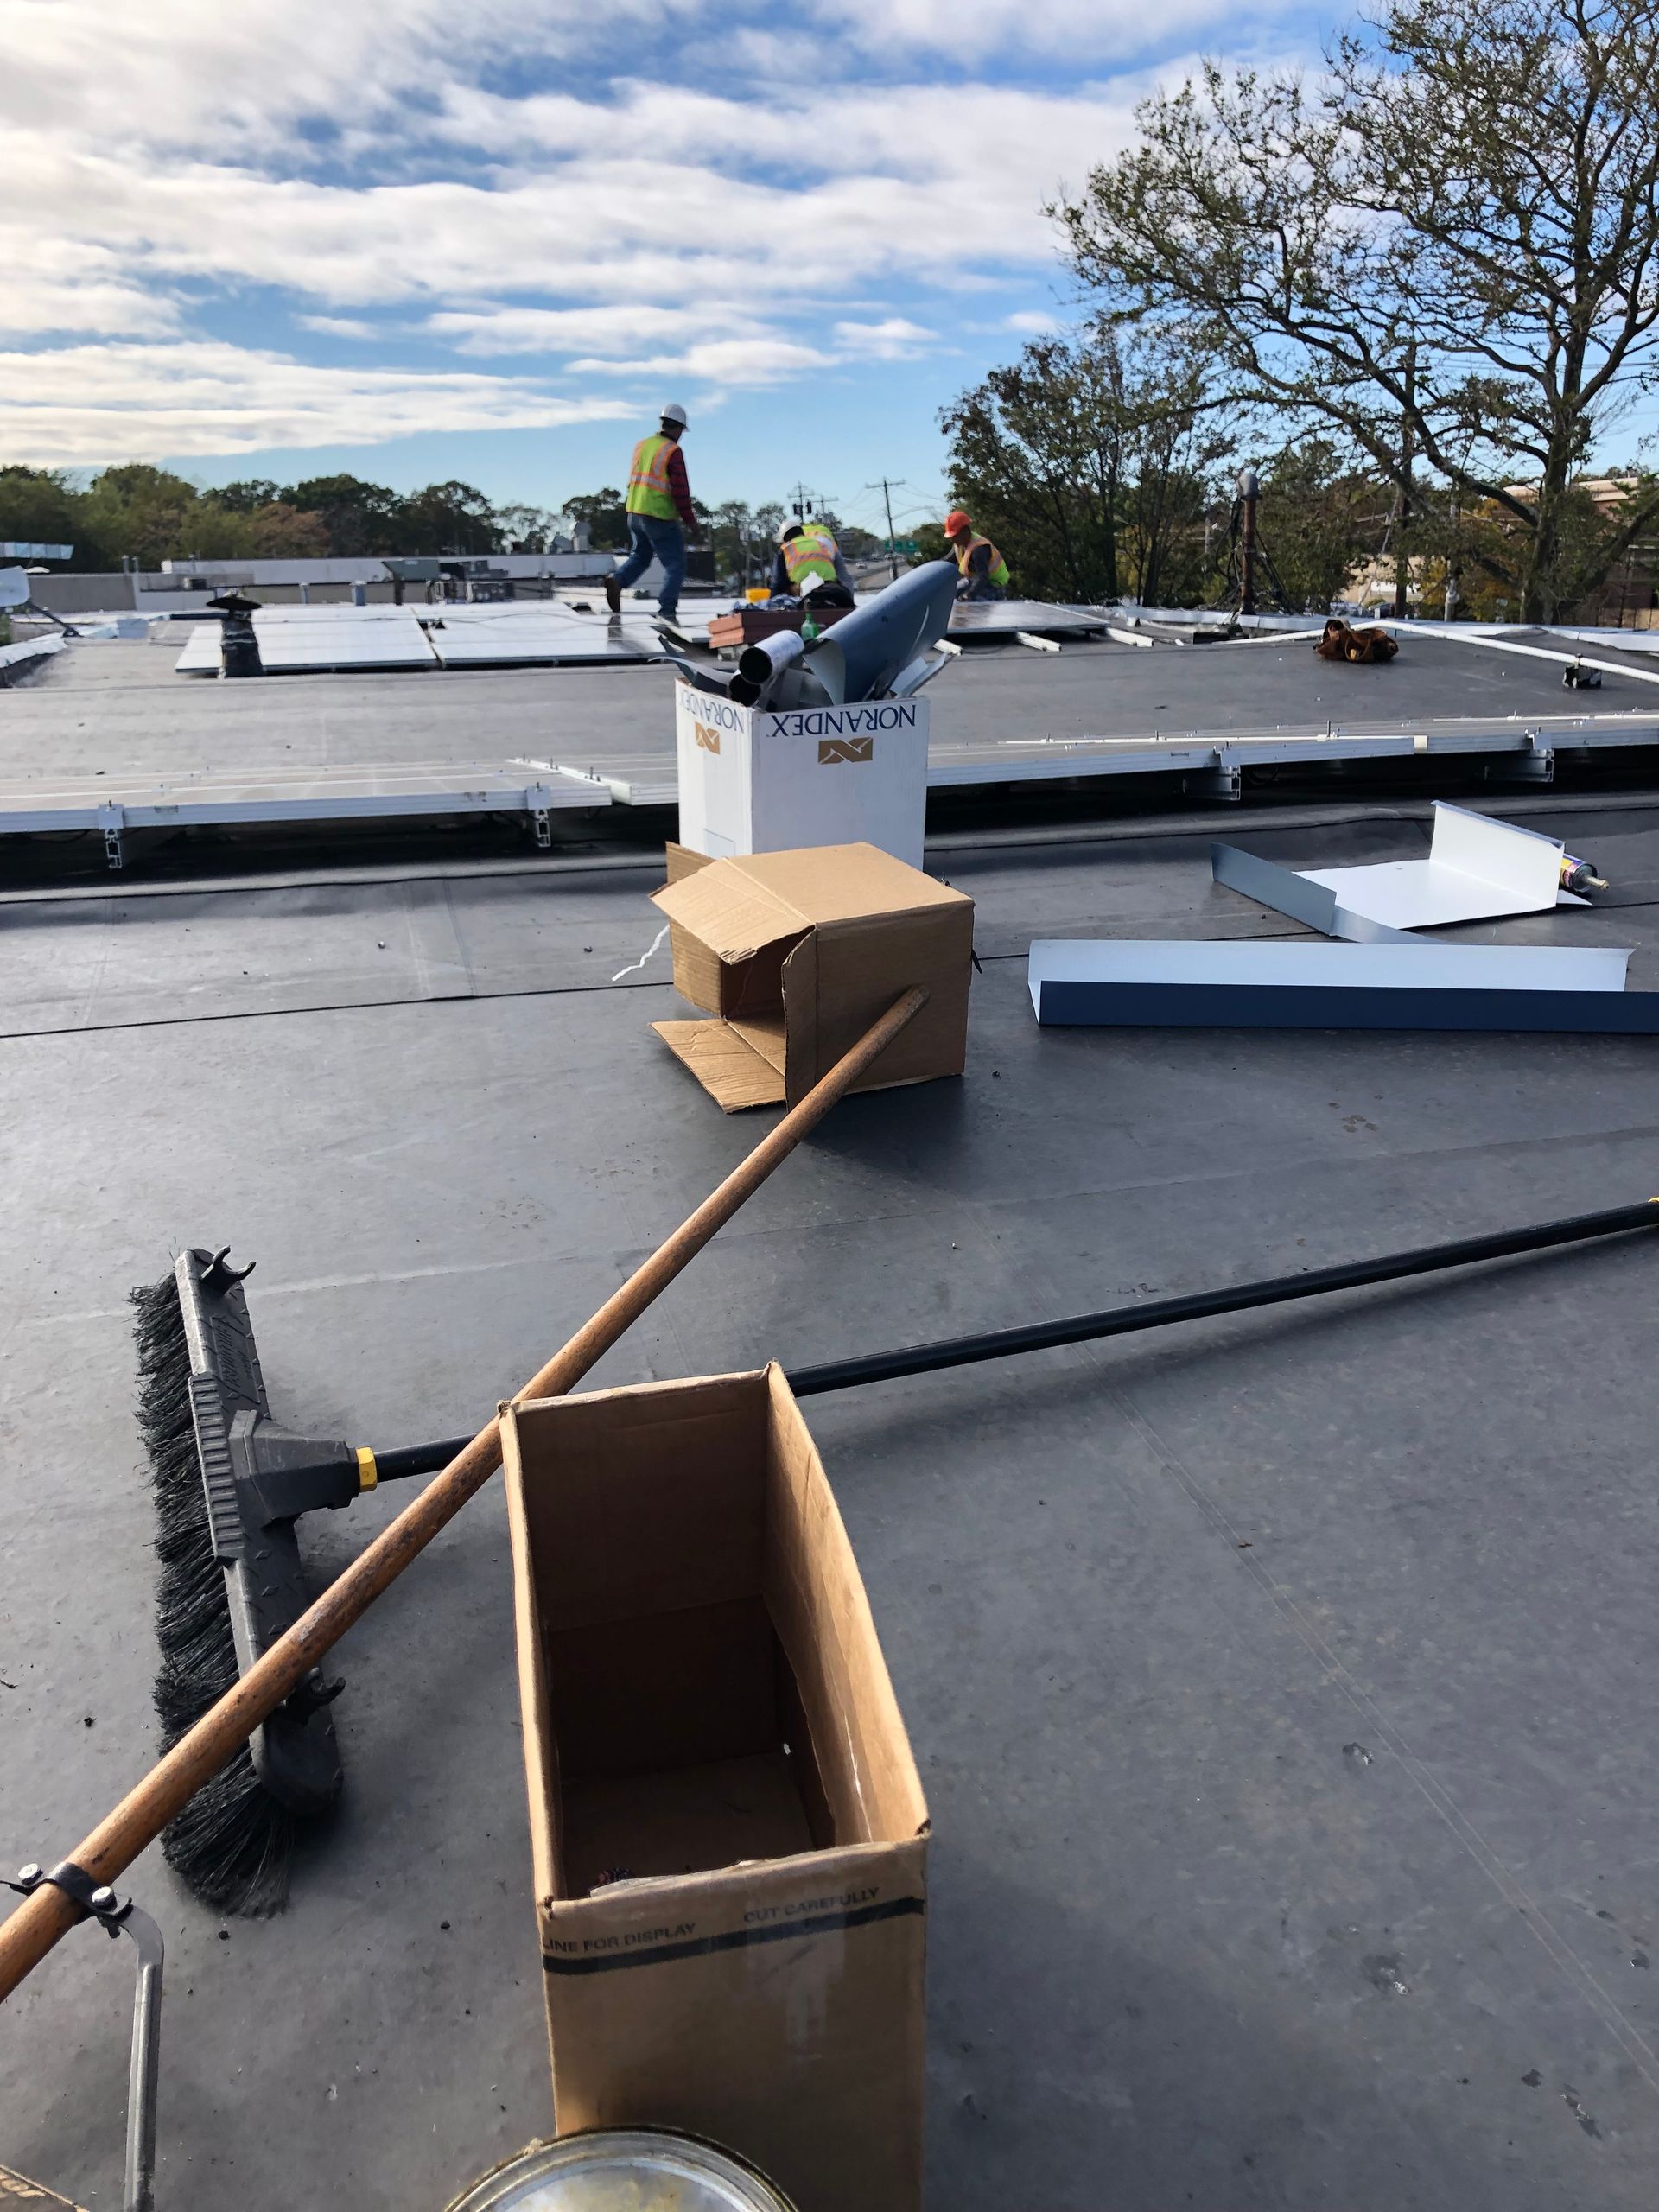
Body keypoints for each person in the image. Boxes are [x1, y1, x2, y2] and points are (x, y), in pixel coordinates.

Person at [606, 404, 697, 625]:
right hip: (658, 515)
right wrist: (691, 521)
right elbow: (680, 490)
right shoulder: (672, 451)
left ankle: (618, 581)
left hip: (635, 511)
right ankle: (667, 608)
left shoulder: (642, 446)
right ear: (677, 428)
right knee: (675, 564)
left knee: (641, 555)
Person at [767, 518, 856, 609]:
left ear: (784, 538)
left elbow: (777, 584)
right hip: (835, 593)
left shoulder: (785, 549)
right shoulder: (820, 545)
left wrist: (773, 606)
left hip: (807, 596)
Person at [943, 508, 1009, 601]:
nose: (953, 540)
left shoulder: (979, 549)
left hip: (994, 586)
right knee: (949, 593)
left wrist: (969, 594)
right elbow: (946, 562)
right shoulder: (959, 545)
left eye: (955, 536)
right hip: (974, 581)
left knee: (969, 603)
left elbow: (982, 576)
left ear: (965, 531)